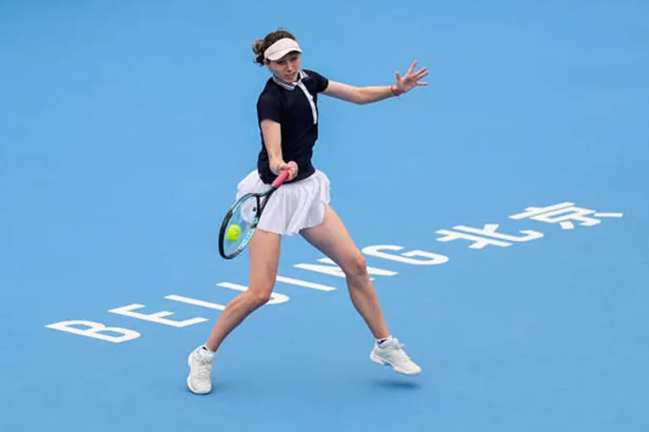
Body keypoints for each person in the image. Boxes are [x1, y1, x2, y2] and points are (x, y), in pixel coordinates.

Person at [186, 29, 429, 394]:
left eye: (293, 58)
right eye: (280, 62)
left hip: (307, 192)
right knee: (260, 292)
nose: (288, 67)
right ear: (266, 64)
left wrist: (395, 90)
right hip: (272, 196)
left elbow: (358, 95)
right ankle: (203, 355)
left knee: (357, 265)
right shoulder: (268, 101)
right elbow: (273, 151)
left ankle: (384, 346)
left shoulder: (309, 79)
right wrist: (283, 164)